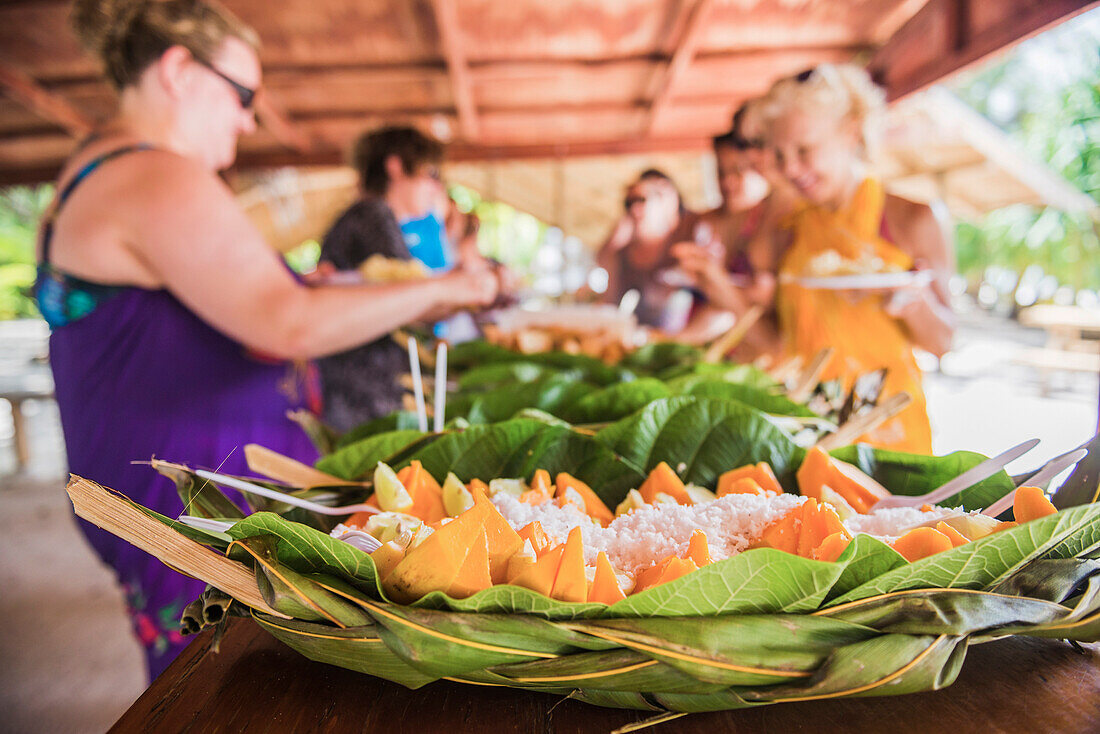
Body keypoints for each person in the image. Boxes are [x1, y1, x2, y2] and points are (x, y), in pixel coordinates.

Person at [39, 0, 499, 680]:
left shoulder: (107, 169)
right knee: (226, 684)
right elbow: (288, 323)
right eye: (243, 95)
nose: (249, 119)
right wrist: (445, 288)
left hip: (181, 484)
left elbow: (241, 302)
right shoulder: (153, 174)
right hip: (194, 499)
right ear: (179, 71)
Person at [762, 64, 955, 452]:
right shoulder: (790, 228)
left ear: (851, 132)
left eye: (803, 150)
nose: (790, 169)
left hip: (890, 433)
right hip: (804, 429)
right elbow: (773, 339)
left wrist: (911, 301)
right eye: (780, 155)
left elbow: (944, 341)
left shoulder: (912, 218)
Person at [318, 126, 502, 430]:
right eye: (431, 174)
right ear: (396, 166)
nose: (436, 187)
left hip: (359, 397)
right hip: (365, 401)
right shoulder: (372, 215)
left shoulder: (367, 218)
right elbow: (412, 303)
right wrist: (470, 289)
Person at [596, 169, 730, 341]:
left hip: (683, 349)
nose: (635, 209)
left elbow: (724, 309)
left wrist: (673, 340)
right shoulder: (621, 252)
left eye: (642, 200)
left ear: (667, 201)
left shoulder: (691, 240)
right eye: (629, 203)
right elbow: (608, 298)